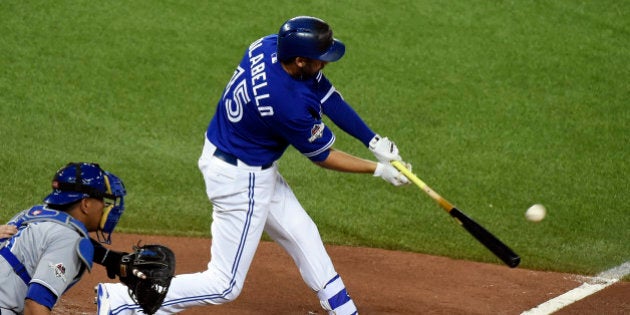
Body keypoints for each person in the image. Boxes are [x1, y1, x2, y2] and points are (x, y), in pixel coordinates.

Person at [96, 16, 411, 315]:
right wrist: (378, 169)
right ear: (300, 60)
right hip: (240, 178)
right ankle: (122, 301)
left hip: (236, 154)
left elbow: (326, 95)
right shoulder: (286, 103)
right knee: (224, 284)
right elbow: (322, 156)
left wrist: (372, 141)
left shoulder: (267, 45)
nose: (326, 62)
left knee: (301, 230)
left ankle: (340, 305)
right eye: (320, 56)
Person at [0, 162, 127, 315]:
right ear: (86, 204)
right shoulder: (69, 239)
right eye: (103, 201)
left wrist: (108, 258)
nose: (106, 208)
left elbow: (57, 240)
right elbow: (35, 308)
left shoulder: (33, 214)